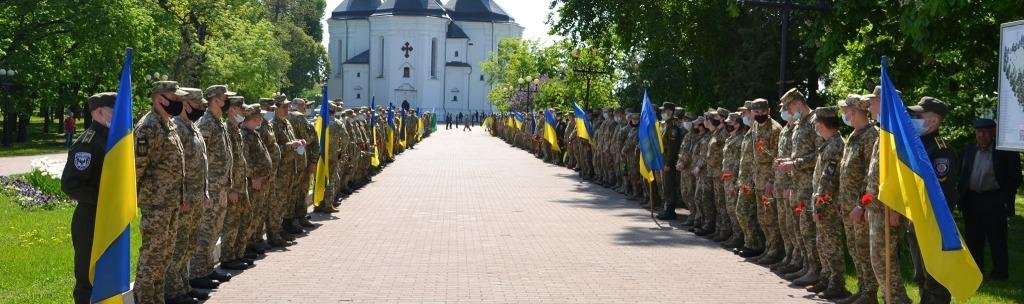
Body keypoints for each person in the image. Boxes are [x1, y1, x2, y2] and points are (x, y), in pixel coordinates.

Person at [134, 81, 189, 303]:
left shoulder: (170, 125)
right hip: (156, 204)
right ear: (160, 99)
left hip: (171, 202)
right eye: (175, 99)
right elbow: (137, 168)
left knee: (164, 256)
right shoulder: (148, 127)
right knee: (152, 258)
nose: (179, 103)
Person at [61, 92, 115, 304]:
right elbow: (70, 185)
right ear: (99, 112)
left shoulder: (112, 139)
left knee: (108, 270)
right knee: (87, 274)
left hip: (109, 216)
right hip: (91, 217)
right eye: (114, 109)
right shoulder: (88, 143)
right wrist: (105, 198)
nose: (119, 114)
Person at [907, 96, 957, 304]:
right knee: (920, 273)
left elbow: (940, 190)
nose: (914, 118)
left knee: (935, 275)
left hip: (933, 221)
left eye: (919, 115)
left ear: (933, 121)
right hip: (917, 217)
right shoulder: (919, 145)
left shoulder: (940, 149)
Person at [958, 118, 1021, 281]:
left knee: (997, 239)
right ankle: (975, 272)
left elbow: (1014, 178)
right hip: (972, 200)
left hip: (994, 199)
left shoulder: (1005, 152)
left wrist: (1004, 198)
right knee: (973, 238)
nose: (982, 135)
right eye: (979, 132)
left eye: (986, 132)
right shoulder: (969, 150)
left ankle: (1000, 273)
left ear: (993, 133)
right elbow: (963, 174)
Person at [193, 85, 235, 285]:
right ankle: (198, 273)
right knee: (206, 231)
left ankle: (208, 269)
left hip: (222, 186)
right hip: (211, 187)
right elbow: (199, 157)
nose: (227, 101)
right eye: (224, 98)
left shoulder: (219, 122)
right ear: (215, 100)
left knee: (215, 229)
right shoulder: (206, 123)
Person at [806, 106, 850, 299]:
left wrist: (819, 205)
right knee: (822, 242)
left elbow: (828, 180)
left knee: (832, 244)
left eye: (816, 122)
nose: (814, 125)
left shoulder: (835, 145)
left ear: (822, 124)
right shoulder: (827, 143)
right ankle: (825, 277)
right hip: (823, 201)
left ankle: (836, 283)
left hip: (828, 203)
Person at [656, 102, 683, 220]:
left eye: (664, 111)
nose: (662, 113)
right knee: (666, 185)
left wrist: (668, 163)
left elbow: (673, 148)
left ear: (670, 112)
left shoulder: (673, 127)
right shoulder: (666, 124)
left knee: (669, 186)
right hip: (664, 159)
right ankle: (667, 208)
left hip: (670, 161)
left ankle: (670, 211)